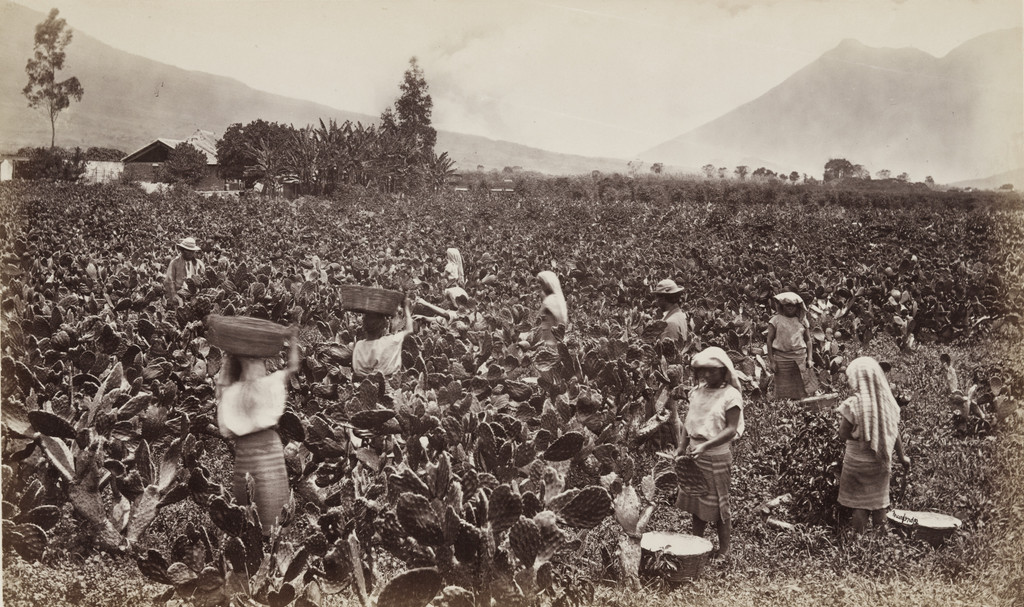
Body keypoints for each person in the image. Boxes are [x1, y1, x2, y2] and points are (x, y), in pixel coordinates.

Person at [216, 326, 299, 536]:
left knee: (270, 500)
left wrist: (294, 340)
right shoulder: (236, 391)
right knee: (254, 501)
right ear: (245, 365)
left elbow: (292, 368)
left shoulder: (264, 384)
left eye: (259, 362)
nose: (259, 365)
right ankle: (258, 542)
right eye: (254, 362)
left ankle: (270, 542)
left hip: (262, 448)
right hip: (255, 449)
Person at [669, 346, 745, 558]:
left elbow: (731, 429)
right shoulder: (697, 393)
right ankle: (698, 545)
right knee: (698, 503)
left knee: (720, 505)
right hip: (695, 455)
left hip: (716, 457)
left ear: (724, 370)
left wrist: (705, 446)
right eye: (703, 371)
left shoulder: (731, 396)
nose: (706, 375)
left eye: (712, 371)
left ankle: (724, 550)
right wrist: (682, 446)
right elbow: (689, 422)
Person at [837, 357, 911, 534]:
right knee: (879, 505)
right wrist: (902, 457)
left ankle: (860, 541)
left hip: (856, 462)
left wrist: (859, 435)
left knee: (860, 506)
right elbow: (894, 432)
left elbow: (842, 434)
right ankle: (882, 539)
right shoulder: (887, 404)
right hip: (880, 462)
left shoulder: (854, 404)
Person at [766, 292, 815, 399]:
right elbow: (769, 341)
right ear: (782, 306)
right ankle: (786, 410)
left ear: (797, 307)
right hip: (782, 359)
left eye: (793, 305)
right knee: (783, 392)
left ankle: (801, 409)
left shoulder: (802, 321)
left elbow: (808, 341)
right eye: (787, 305)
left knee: (802, 390)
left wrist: (810, 359)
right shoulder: (775, 320)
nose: (790, 308)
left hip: (799, 358)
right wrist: (772, 361)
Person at [352, 298, 414, 378]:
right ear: (383, 328)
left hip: (362, 386)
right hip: (389, 386)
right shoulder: (391, 341)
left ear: (363, 328)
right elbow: (409, 329)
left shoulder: (358, 345)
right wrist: (406, 307)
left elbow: (357, 371)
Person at [164, 237, 206, 304]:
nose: (191, 253)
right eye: (188, 251)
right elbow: (169, 281)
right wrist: (175, 295)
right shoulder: (174, 263)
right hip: (179, 294)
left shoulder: (199, 264)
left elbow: (203, 280)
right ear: (182, 250)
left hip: (196, 295)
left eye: (192, 251)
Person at [533, 271, 567, 345]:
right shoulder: (557, 299)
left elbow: (551, 321)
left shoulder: (550, 300)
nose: (540, 286)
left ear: (547, 284)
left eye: (541, 283)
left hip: (550, 338)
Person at [652, 278, 689, 346]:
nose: (656, 301)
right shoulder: (680, 315)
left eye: (657, 297)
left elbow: (667, 353)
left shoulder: (669, 323)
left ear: (663, 298)